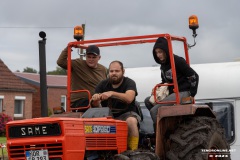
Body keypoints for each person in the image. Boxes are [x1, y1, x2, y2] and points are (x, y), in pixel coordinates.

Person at [145, 37, 199, 129]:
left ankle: (162, 135)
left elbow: (194, 76)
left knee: (154, 111)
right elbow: (165, 81)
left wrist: (191, 94)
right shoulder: (163, 65)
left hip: (183, 92)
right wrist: (158, 89)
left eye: (160, 52)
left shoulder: (177, 61)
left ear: (166, 50)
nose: (158, 55)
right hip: (172, 92)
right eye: (156, 52)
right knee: (148, 101)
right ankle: (167, 123)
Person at [90, 60, 140, 151]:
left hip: (127, 114)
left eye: (117, 71)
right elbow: (95, 105)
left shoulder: (129, 83)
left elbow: (129, 98)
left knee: (131, 121)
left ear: (123, 71)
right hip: (108, 116)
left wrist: (112, 93)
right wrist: (95, 99)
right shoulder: (102, 84)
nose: (114, 73)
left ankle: (133, 151)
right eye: (111, 71)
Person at [57, 45, 107, 111]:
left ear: (99, 57)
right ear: (85, 56)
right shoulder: (78, 64)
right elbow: (60, 62)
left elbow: (105, 85)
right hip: (80, 101)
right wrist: (68, 48)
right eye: (89, 57)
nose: (91, 59)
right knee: (91, 105)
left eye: (94, 57)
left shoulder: (103, 69)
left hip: (97, 99)